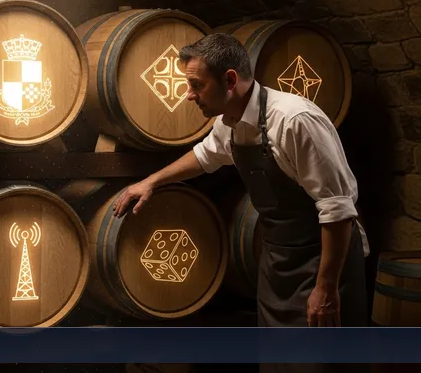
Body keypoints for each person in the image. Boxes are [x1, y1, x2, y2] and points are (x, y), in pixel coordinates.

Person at [113, 34, 369, 337]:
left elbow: (337, 210)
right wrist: (151, 182)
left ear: (230, 80)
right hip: (278, 262)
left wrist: (326, 288)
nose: (189, 95)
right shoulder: (228, 122)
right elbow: (204, 156)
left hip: (323, 261)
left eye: (197, 85)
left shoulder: (293, 121)